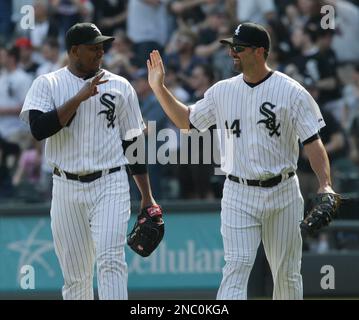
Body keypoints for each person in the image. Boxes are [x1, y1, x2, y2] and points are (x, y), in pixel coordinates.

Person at [147, 22, 336, 300]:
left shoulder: (291, 91)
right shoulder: (222, 91)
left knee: (286, 273)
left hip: (282, 190)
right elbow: (187, 122)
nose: (232, 53)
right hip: (238, 191)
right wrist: (159, 88)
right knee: (236, 267)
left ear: (260, 51)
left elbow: (313, 141)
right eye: (231, 47)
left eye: (238, 48)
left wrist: (326, 185)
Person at [19, 22, 159, 300]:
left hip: (110, 182)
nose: (100, 52)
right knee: (76, 277)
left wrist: (147, 196)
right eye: (93, 48)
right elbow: (39, 129)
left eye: (102, 47)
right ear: (74, 50)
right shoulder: (48, 83)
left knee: (110, 260)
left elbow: (133, 142)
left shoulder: (120, 86)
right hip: (65, 186)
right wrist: (80, 97)